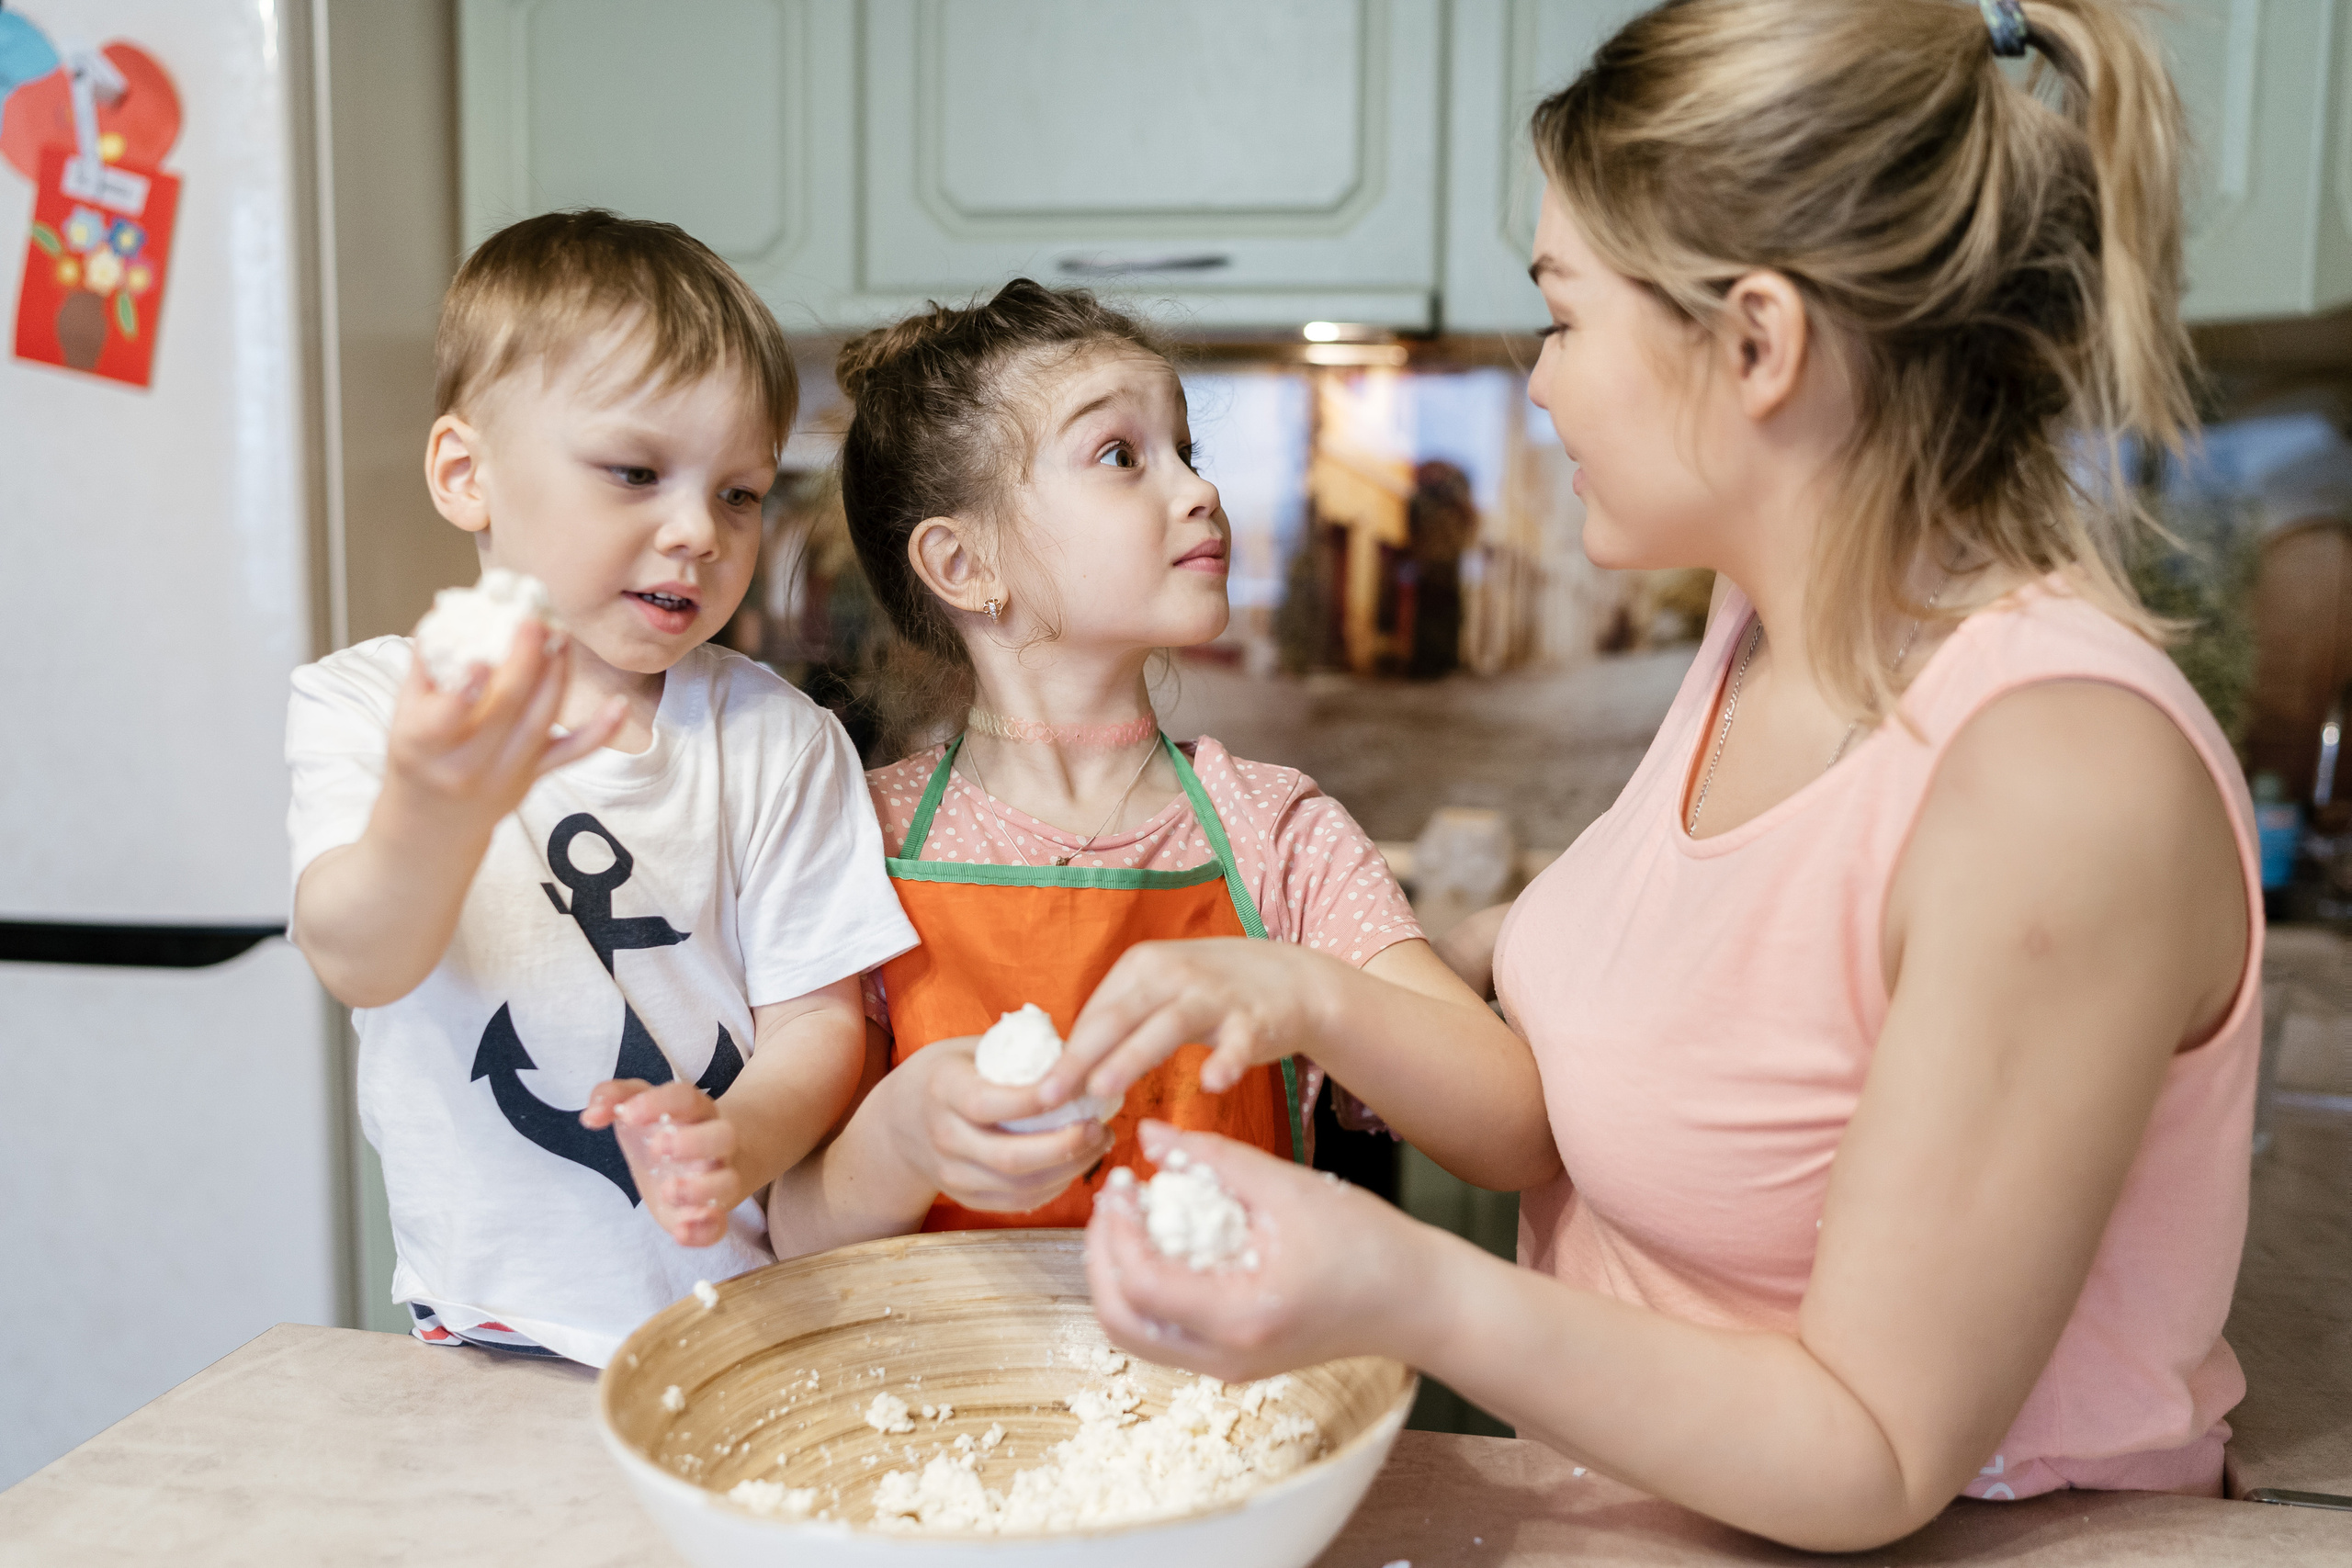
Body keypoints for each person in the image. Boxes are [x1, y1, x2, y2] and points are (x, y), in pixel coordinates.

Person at [1059, 0, 2259, 1551]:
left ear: (1757, 344)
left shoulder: (2059, 777)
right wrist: (1365, 975)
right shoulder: (1766, 628)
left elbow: (1871, 1446)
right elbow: (1733, 967)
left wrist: (1397, 1280)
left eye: (1564, 316)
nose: (1539, 384)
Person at [738, 279, 1547, 1252]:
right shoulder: (859, 838)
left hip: (1222, 1357)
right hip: (946, 1357)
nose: (1201, 491)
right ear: (963, 565)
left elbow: (1513, 1133)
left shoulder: (1275, 832)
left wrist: (1308, 994)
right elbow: (799, 1233)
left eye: (1187, 452)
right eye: (1121, 455)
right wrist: (904, 1139)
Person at [284, 211, 916, 1366]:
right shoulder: (369, 708)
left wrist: (737, 1138)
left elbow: (820, 1025)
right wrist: (436, 806)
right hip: (480, 1331)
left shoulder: (778, 743)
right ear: (466, 474)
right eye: (635, 473)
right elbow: (359, 958)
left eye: (739, 493)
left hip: (731, 1328)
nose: (697, 532)